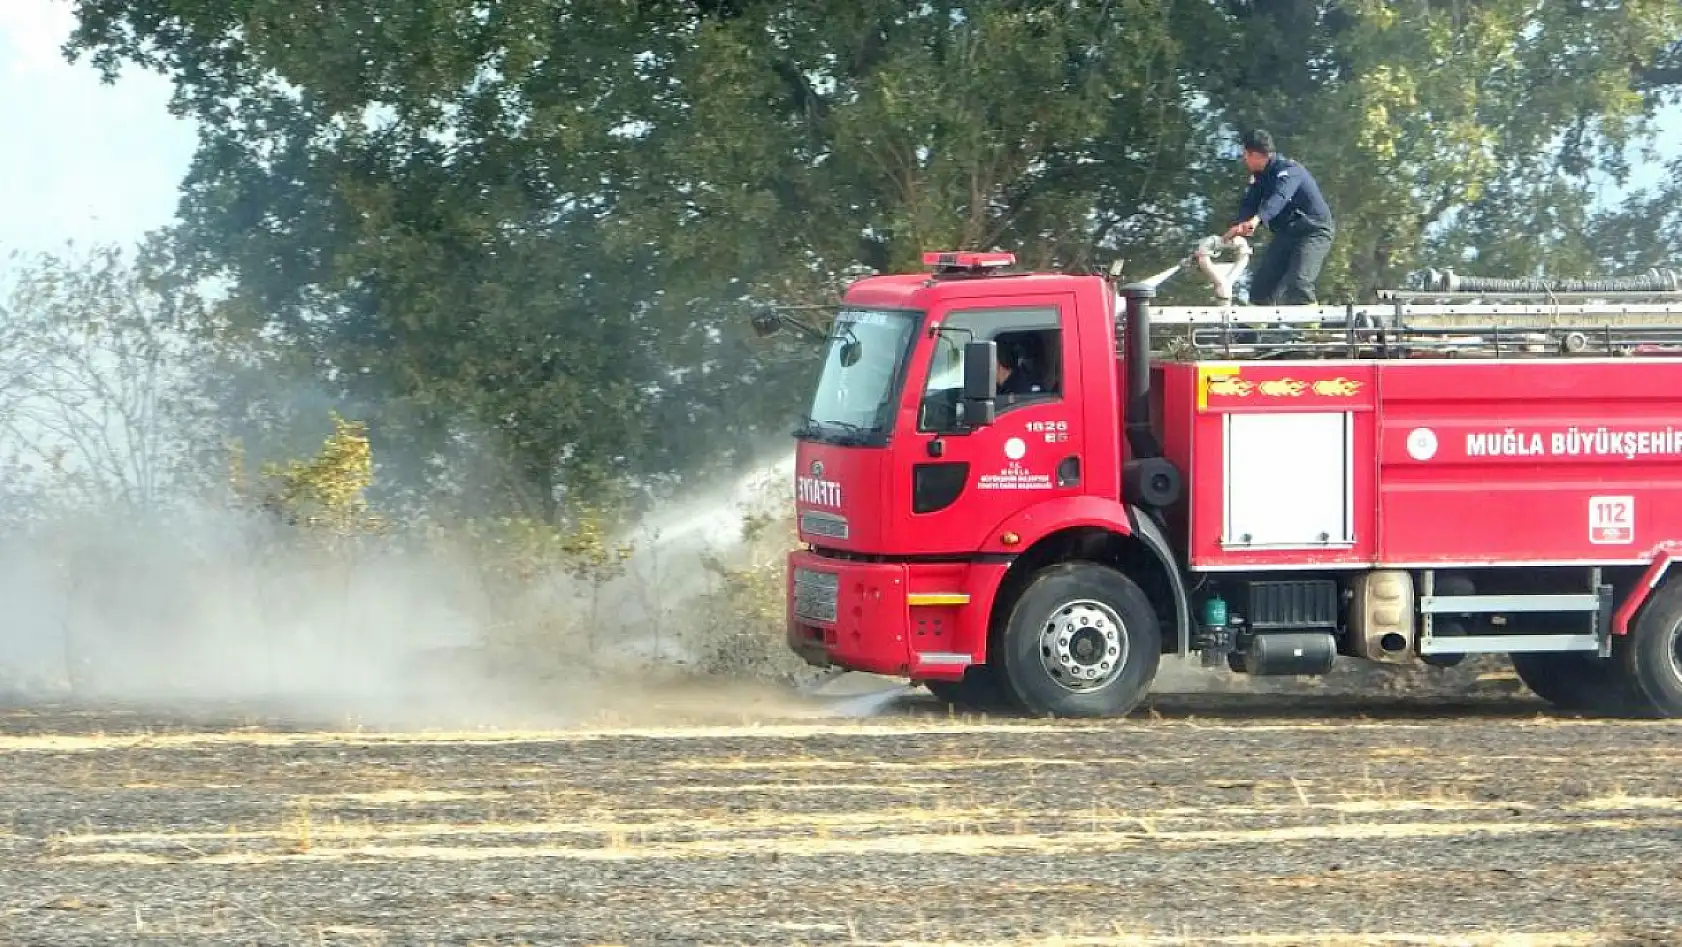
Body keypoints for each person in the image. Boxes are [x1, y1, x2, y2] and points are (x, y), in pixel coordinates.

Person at [1224, 129, 1335, 305]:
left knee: (1299, 282)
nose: (1244, 159)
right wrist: (1237, 228)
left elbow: (1280, 197)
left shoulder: (1290, 170)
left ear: (1255, 154)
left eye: (1245, 154)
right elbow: (1249, 204)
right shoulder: (1259, 179)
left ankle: (1311, 331)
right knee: (1261, 286)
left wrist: (1257, 219)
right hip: (1287, 233)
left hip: (1313, 231)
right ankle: (1248, 332)